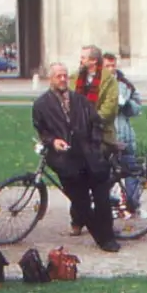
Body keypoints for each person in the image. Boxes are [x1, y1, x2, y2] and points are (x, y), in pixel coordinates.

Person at [32, 62, 119, 252]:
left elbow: (96, 123)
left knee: (102, 196)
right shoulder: (41, 105)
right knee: (81, 202)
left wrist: (96, 145)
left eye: (65, 75)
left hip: (90, 156)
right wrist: (53, 141)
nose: (63, 79)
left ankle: (108, 236)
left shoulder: (80, 101)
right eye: (58, 76)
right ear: (50, 79)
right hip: (66, 160)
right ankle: (102, 237)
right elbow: (42, 130)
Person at [73, 45, 120, 236]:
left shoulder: (109, 81)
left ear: (93, 61)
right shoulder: (76, 78)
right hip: (79, 135)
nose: (81, 60)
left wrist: (88, 121)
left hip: (100, 135)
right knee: (76, 180)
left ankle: (102, 225)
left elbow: (109, 110)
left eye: (84, 57)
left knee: (98, 183)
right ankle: (77, 220)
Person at [104, 53, 147, 217]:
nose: (110, 69)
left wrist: (127, 103)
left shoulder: (125, 84)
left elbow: (137, 108)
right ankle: (108, 204)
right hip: (107, 137)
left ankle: (132, 204)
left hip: (125, 134)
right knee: (106, 175)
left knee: (131, 171)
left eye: (112, 65)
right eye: (107, 66)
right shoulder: (97, 85)